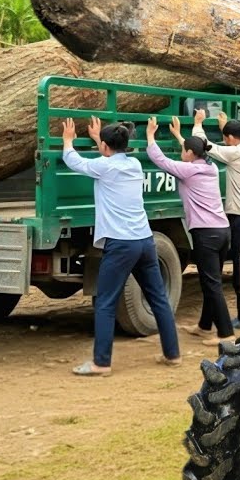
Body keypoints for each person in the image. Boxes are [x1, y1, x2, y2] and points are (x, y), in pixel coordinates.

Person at [62, 116, 181, 373]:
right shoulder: (134, 164)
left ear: (106, 147)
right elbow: (109, 157)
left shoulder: (104, 167)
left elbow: (74, 161)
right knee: (159, 299)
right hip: (145, 241)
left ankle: (101, 363)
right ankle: (172, 354)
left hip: (121, 245)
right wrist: (99, 139)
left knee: (105, 302)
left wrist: (68, 141)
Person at [145, 116, 235, 345]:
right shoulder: (209, 166)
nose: (181, 153)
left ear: (190, 154)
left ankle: (226, 333)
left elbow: (162, 161)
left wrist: (150, 136)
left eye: (183, 150)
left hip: (206, 233)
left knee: (212, 284)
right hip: (222, 231)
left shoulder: (188, 170)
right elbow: (194, 150)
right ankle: (204, 326)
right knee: (211, 280)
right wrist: (179, 136)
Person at [192, 109, 240, 328]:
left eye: (226, 138)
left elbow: (204, 145)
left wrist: (198, 123)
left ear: (229, 138)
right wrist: (225, 128)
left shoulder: (234, 154)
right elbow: (231, 146)